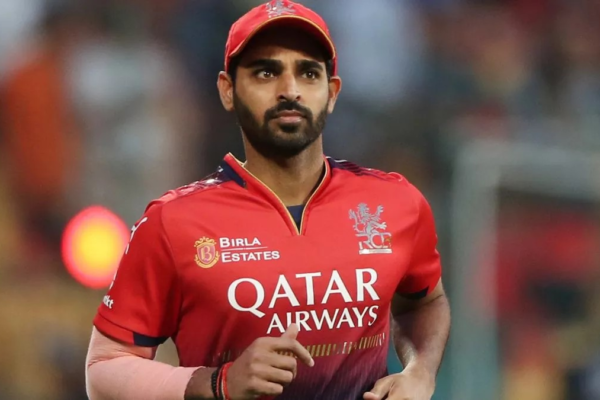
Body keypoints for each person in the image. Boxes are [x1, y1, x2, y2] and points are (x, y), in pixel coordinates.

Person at [85, 1, 451, 399]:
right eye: (266, 72)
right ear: (228, 90)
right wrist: (217, 383)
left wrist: (420, 372)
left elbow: (424, 302)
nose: (290, 91)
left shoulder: (394, 203)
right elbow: (104, 369)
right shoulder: (172, 224)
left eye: (308, 73)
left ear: (331, 92)